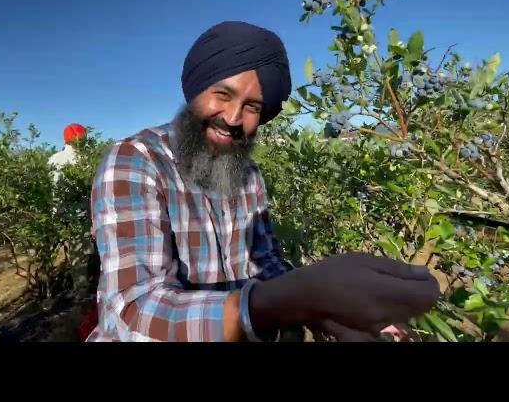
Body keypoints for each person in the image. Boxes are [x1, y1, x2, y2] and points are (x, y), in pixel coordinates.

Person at [86, 21, 439, 342]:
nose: (234, 117)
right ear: (195, 91)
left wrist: (328, 309)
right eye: (222, 95)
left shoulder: (248, 176)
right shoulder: (136, 160)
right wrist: (292, 299)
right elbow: (134, 313)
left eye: (253, 106)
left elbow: (267, 263)